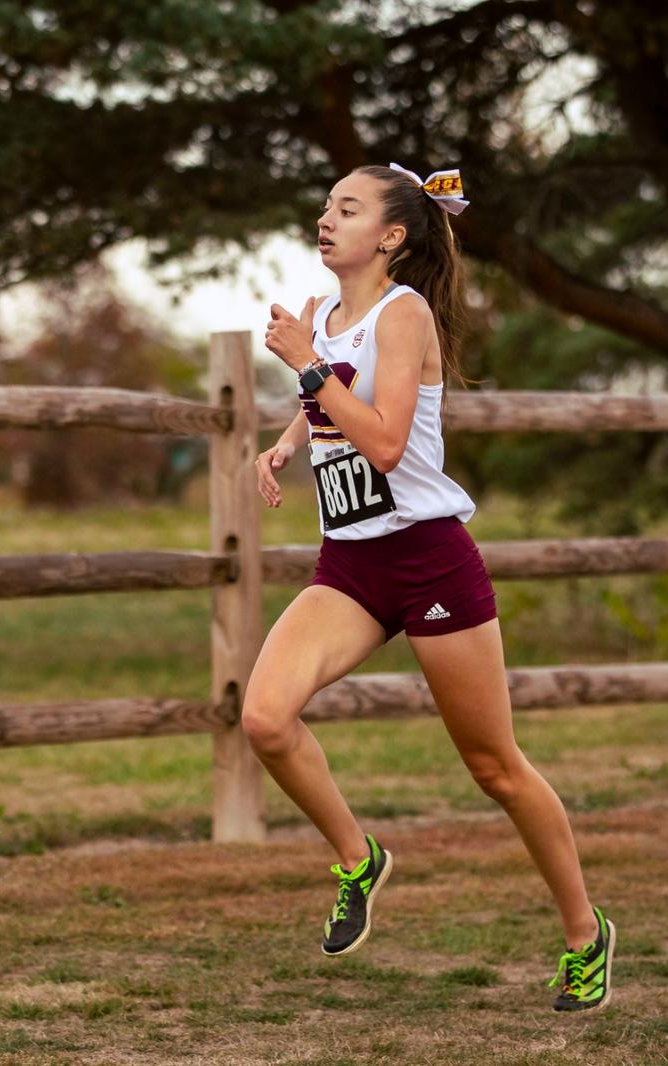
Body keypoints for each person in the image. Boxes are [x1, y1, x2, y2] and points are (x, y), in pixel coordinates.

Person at [247, 163, 616, 1013]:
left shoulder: (404, 313)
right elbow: (333, 396)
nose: (326, 217)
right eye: (326, 205)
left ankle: (583, 934)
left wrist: (307, 367)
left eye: (347, 208)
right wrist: (287, 441)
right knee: (264, 718)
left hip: (428, 560)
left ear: (391, 236)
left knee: (495, 767)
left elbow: (383, 442)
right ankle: (359, 858)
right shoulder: (326, 316)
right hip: (351, 565)